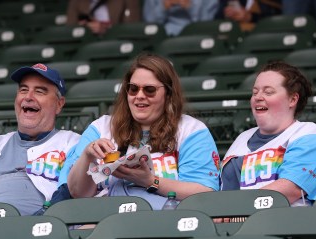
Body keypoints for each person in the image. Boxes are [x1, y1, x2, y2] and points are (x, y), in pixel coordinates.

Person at [60, 53, 221, 210]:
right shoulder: (100, 127)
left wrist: (151, 181)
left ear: (168, 94)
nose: (140, 96)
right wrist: (88, 156)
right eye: (133, 89)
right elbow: (78, 194)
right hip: (106, 219)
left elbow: (204, 193)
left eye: (150, 90)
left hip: (166, 222)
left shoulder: (191, 129)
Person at [0, 63, 80, 215]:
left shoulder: (74, 143)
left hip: (42, 229)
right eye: (23, 90)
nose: (28, 97)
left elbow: (68, 194)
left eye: (39, 91)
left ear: (59, 104)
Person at [220, 61, 316, 206]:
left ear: (292, 99)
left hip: (286, 225)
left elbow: (288, 190)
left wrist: (232, 208)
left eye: (268, 92)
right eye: (255, 92)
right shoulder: (242, 138)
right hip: (235, 225)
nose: (258, 97)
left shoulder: (309, 134)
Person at [143, 0, 219, 37]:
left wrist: (190, 7)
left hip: (197, 37)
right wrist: (164, 6)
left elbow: (208, 26)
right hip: (164, 37)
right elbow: (149, 25)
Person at [66, 0, 141, 35]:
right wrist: (85, 28)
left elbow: (131, 30)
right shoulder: (76, 2)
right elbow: (69, 29)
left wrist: (106, 28)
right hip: (87, 41)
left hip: (115, 42)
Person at [216, 0, 281, 32]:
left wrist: (250, 17)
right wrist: (226, 13)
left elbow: (277, 22)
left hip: (262, 38)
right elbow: (216, 20)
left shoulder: (270, 2)